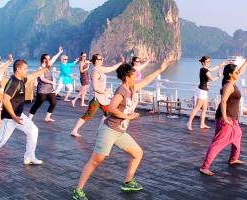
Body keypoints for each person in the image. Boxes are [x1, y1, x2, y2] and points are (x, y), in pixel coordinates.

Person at [72, 58, 173, 200]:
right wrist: (128, 116)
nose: (135, 78)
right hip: (109, 130)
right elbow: (112, 108)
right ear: (127, 77)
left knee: (138, 153)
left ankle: (128, 182)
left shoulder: (131, 88)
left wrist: (160, 69)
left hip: (120, 132)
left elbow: (147, 80)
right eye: (133, 75)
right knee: (96, 160)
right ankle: (78, 190)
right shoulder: (121, 91)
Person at [199, 48, 247, 176]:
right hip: (226, 117)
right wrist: (225, 118)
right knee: (219, 143)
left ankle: (233, 158)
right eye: (236, 72)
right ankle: (204, 167)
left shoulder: (232, 81)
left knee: (238, 134)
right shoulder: (228, 86)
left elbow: (241, 70)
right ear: (230, 74)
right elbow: (223, 102)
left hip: (232, 118)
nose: (238, 73)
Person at [70, 54, 124, 137]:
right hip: (96, 99)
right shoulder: (95, 72)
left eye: (102, 59)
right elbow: (95, 87)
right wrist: (105, 92)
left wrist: (120, 63)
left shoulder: (100, 69)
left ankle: (101, 130)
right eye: (100, 59)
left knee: (108, 112)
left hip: (103, 98)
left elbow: (111, 68)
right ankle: (74, 130)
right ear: (95, 61)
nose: (102, 60)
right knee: (89, 115)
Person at [187, 57, 227, 130]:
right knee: (197, 108)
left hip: (204, 91)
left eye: (209, 61)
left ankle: (202, 124)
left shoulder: (204, 69)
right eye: (207, 62)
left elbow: (213, 69)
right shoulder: (204, 70)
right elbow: (212, 79)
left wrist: (222, 64)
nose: (209, 63)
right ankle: (189, 123)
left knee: (205, 108)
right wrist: (218, 76)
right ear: (203, 63)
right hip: (202, 91)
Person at [29, 47, 63, 122]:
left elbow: (54, 58)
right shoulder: (40, 68)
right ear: (44, 60)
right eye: (48, 58)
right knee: (37, 104)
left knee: (53, 103)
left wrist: (59, 52)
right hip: (42, 89)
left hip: (50, 89)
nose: (50, 60)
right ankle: (30, 118)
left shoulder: (49, 66)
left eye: (49, 58)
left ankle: (47, 117)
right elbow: (42, 79)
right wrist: (51, 82)